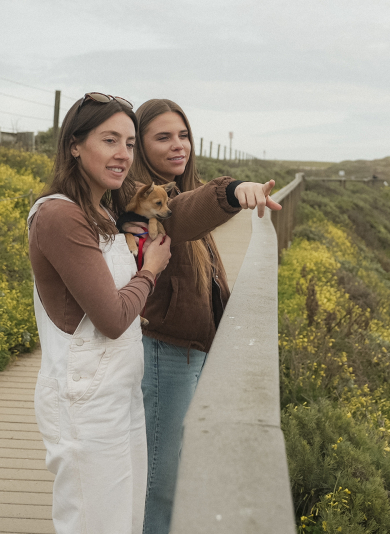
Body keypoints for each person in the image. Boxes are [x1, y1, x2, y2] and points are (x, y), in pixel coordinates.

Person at [124, 98, 280, 533]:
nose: (179, 146)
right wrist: (231, 192)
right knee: (161, 481)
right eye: (163, 137)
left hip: (190, 350)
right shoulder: (142, 198)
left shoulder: (173, 190)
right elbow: (183, 220)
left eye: (184, 135)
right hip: (164, 351)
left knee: (176, 470)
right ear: (140, 146)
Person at [27, 92, 172, 534]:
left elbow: (173, 208)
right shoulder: (59, 216)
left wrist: (231, 194)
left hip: (117, 391)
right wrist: (149, 271)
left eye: (129, 144)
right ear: (75, 144)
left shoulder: (105, 211)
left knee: (122, 521)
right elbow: (110, 319)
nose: (123, 155)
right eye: (110, 140)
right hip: (84, 398)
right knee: (95, 524)